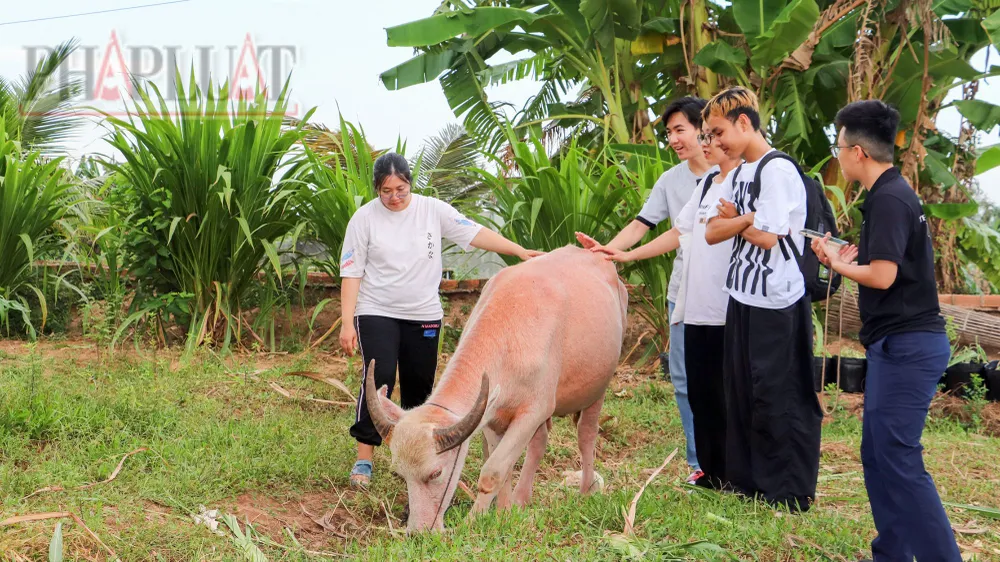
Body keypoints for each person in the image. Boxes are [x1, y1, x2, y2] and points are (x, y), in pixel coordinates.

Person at [813, 101, 961, 562]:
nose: (837, 156)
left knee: (897, 456)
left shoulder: (890, 198)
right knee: (878, 456)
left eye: (839, 147)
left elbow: (882, 276)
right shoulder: (888, 195)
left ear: (857, 151)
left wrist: (839, 264)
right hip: (894, 343)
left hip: (909, 345)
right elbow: (883, 267)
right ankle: (892, 552)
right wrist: (845, 261)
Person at [339, 153, 543, 487]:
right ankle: (364, 458)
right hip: (376, 309)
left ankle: (416, 453)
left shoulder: (432, 210)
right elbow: (351, 274)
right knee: (381, 378)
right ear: (376, 188)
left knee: (420, 387)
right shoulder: (363, 220)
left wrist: (519, 251)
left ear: (410, 183)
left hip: (423, 313)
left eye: (401, 189)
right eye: (386, 190)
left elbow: (474, 233)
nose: (394, 197)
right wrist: (348, 322)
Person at [587, 126, 742, 491]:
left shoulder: (748, 175)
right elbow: (666, 229)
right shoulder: (683, 183)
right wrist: (614, 253)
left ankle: (735, 463)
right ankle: (702, 463)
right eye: (668, 132)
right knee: (689, 381)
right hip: (687, 295)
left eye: (682, 130)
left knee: (729, 382)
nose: (675, 139)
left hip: (730, 297)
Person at [702, 87, 822, 512]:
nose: (715, 144)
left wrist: (740, 219)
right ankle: (749, 481)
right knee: (741, 391)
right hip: (741, 292)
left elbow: (769, 238)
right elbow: (713, 232)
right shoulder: (740, 172)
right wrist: (746, 219)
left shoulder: (777, 170)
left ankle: (787, 490)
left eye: (719, 133)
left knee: (779, 393)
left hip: (777, 298)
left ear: (744, 123)